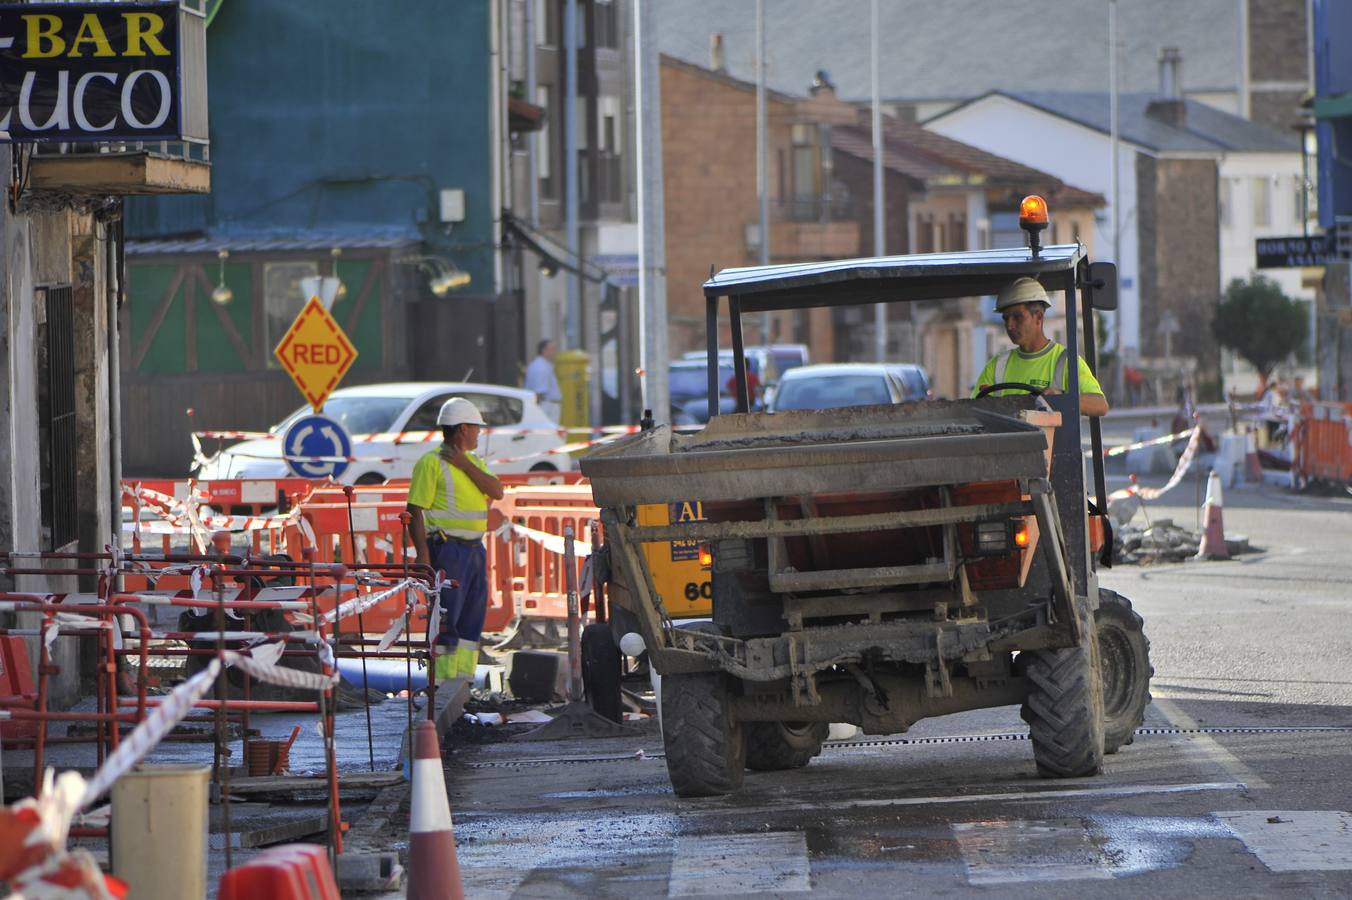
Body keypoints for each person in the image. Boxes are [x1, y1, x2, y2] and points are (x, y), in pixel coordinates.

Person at [406, 397, 505, 735]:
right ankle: (443, 688)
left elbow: (497, 491)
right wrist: (423, 554)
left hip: (474, 552)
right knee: (447, 621)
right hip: (447, 551)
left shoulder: (472, 461)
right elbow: (414, 510)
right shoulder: (429, 464)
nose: (479, 433)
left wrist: (465, 464)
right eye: (476, 428)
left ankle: (461, 688)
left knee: (471, 621)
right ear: (463, 429)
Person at [972, 277, 1110, 417]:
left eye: (1017, 317)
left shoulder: (1066, 361)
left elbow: (1100, 405)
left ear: (1038, 317)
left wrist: (1062, 399)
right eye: (1006, 318)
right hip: (1006, 439)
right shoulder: (996, 366)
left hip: (1055, 439)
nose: (1010, 325)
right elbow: (972, 410)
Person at [525, 338, 563, 422]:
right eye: (552, 349)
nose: (555, 352)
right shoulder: (541, 367)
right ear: (544, 350)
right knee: (548, 432)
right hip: (546, 405)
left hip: (548, 405)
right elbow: (539, 392)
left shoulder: (544, 365)